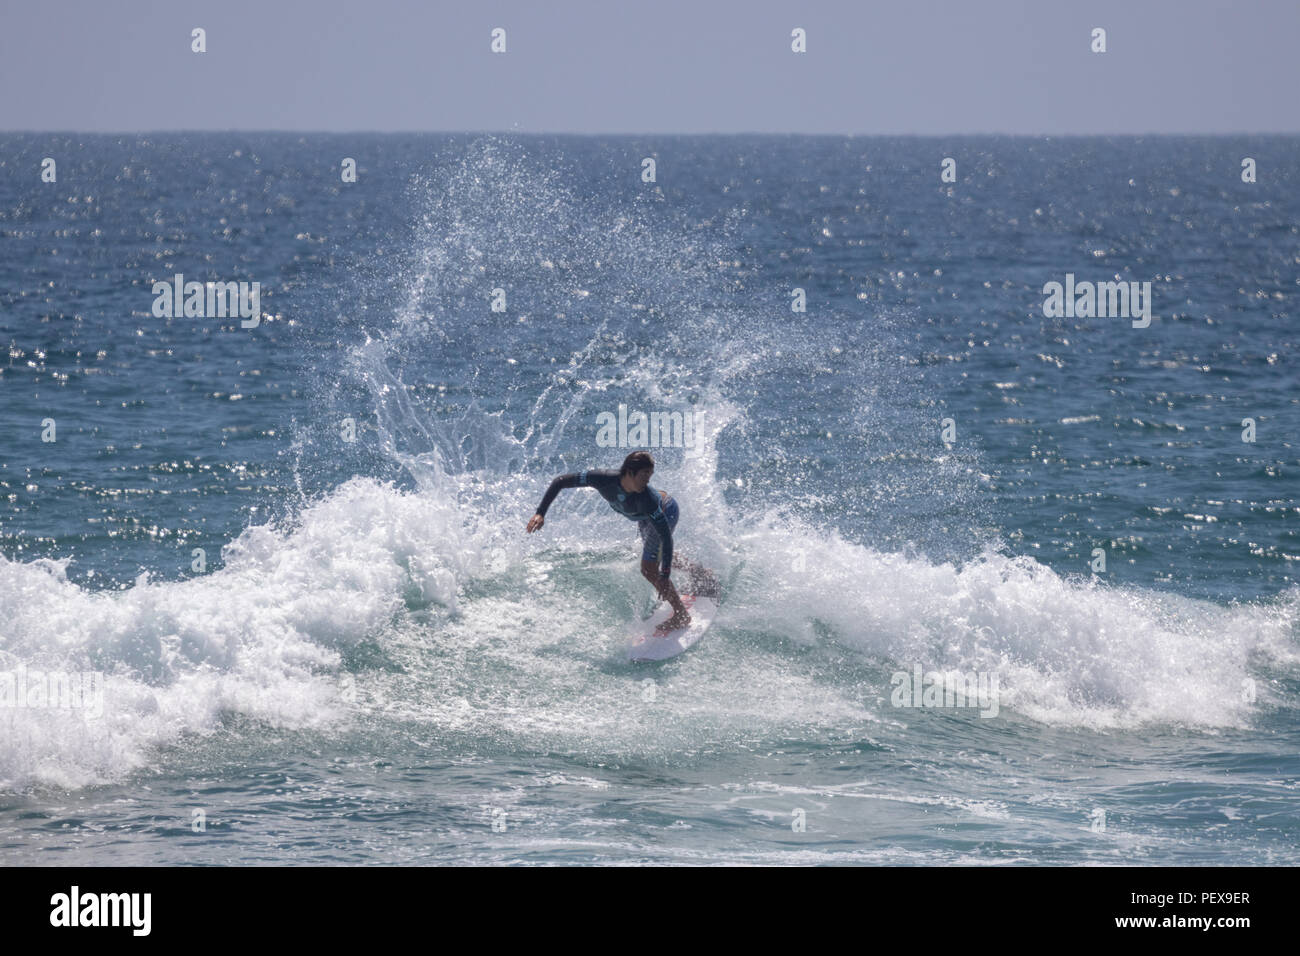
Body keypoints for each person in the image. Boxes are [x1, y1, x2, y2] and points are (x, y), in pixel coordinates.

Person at [526, 450, 718, 632]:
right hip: (643, 517)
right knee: (654, 557)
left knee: (649, 569)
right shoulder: (602, 479)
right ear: (628, 472)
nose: (647, 481)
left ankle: (681, 615)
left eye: (650, 476)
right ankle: (699, 572)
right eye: (644, 476)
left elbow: (666, 538)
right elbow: (560, 481)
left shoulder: (647, 499)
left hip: (665, 511)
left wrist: (665, 574)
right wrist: (540, 513)